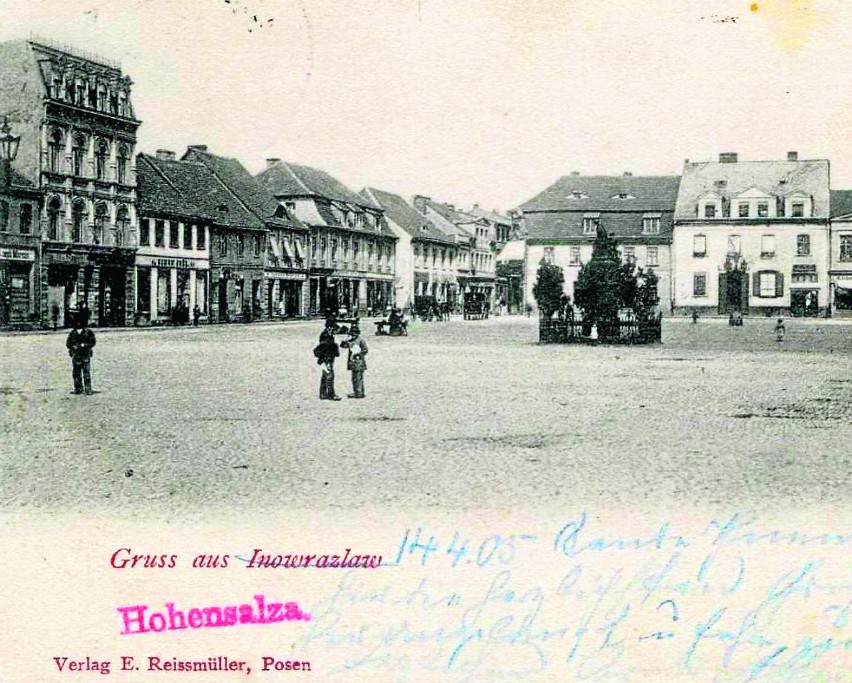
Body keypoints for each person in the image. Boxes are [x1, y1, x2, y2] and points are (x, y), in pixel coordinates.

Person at [66, 312, 96, 395]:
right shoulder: (73, 333)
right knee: (76, 373)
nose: (78, 324)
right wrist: (73, 347)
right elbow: (68, 343)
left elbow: (92, 342)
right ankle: (78, 388)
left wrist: (85, 345)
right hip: (76, 355)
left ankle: (88, 389)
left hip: (85, 355)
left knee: (86, 372)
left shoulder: (88, 332)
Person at [313, 321, 341, 400]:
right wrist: (335, 346)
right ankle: (331, 394)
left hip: (327, 358)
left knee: (325, 375)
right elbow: (326, 347)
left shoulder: (327, 335)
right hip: (327, 358)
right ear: (330, 328)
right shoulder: (326, 336)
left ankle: (323, 393)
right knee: (330, 376)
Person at [341, 323, 368, 399]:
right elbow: (343, 346)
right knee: (354, 377)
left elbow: (365, 350)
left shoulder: (361, 340)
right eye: (352, 334)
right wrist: (345, 339)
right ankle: (356, 391)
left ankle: (359, 392)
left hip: (359, 361)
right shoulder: (350, 341)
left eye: (354, 334)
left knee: (359, 377)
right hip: (352, 362)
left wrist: (359, 354)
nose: (353, 335)